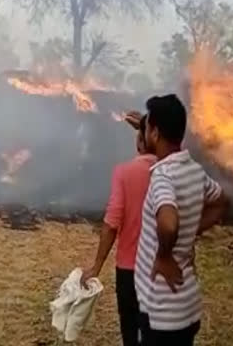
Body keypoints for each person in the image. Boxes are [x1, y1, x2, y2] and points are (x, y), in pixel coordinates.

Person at [134, 94, 229, 346]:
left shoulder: (162, 178)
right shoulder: (194, 170)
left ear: (154, 133)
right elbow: (221, 202)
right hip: (186, 306)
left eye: (147, 127)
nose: (144, 133)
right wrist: (193, 229)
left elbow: (168, 222)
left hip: (162, 312)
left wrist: (164, 256)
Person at [81, 113, 156, 346]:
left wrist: (96, 266)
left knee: (130, 329)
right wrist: (146, 124)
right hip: (164, 271)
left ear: (140, 142)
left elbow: (112, 223)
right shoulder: (174, 170)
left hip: (130, 270)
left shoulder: (125, 173)